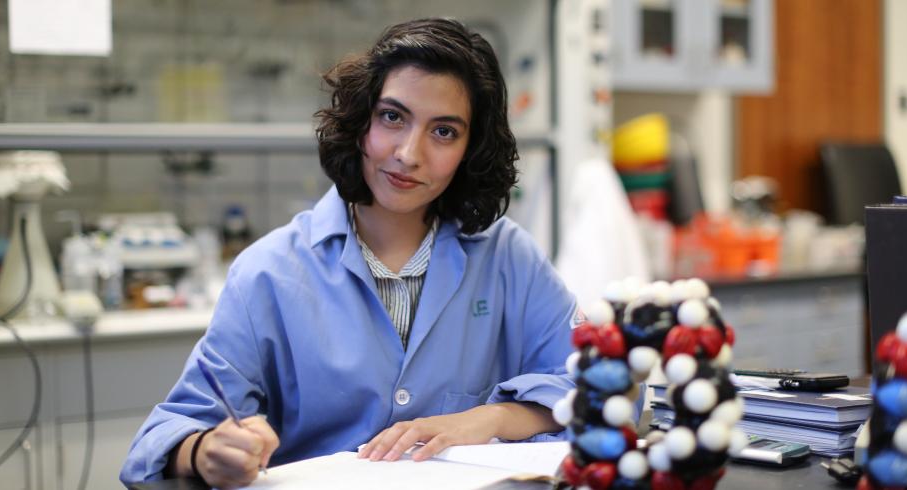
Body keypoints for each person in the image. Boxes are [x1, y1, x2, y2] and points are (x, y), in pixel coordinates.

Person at [120, 18, 578, 489]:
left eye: (443, 132)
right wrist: (205, 451)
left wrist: (491, 418)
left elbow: (592, 387)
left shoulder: (508, 256)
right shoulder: (270, 272)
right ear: (361, 121)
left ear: (471, 149)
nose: (408, 153)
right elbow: (159, 442)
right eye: (392, 117)